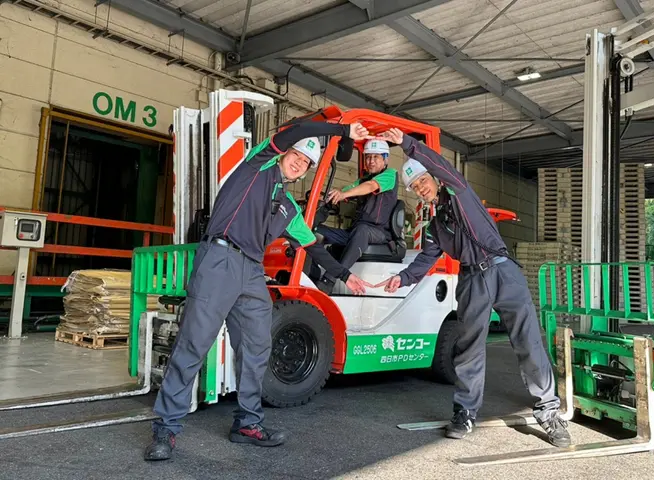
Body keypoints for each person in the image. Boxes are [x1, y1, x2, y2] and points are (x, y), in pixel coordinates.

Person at [144, 120, 374, 461]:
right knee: (194, 342)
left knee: (257, 346)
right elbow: (289, 135)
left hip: (252, 270)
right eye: (296, 155)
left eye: (306, 162)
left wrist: (346, 275)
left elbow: (313, 247)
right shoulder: (258, 165)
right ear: (285, 154)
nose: (298, 163)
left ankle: (247, 424)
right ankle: (166, 428)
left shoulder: (290, 209)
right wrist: (341, 133)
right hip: (220, 258)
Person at [372, 128, 571, 448]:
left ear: (434, 180)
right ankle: (465, 412)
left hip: (503, 271)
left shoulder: (460, 194)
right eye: (415, 187)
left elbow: (441, 167)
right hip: (471, 279)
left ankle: (548, 412)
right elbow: (427, 257)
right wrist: (404, 278)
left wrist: (407, 145)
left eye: (423, 181)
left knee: (528, 341)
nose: (421, 189)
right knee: (469, 348)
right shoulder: (436, 225)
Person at [314, 139, 399, 294]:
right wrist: (327, 198)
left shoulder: (390, 175)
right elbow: (346, 191)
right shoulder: (362, 180)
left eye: (376, 157)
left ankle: (328, 281)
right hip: (356, 232)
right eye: (368, 157)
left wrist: (344, 194)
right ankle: (311, 275)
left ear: (385, 159)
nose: (371, 161)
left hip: (380, 233)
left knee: (362, 230)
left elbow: (371, 186)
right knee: (316, 230)